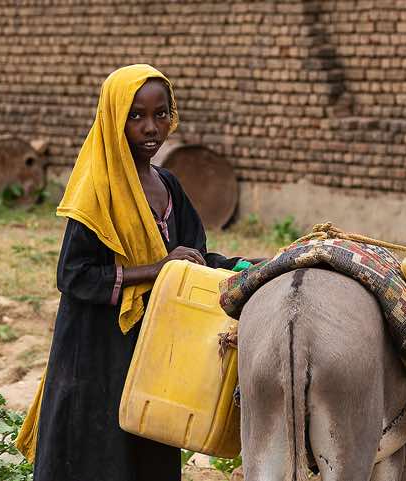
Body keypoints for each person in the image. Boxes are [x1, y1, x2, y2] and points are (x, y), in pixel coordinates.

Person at [16, 64, 250, 481]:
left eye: (160, 114)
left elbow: (192, 257)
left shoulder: (168, 184)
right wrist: (156, 269)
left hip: (153, 351)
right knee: (97, 453)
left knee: (147, 445)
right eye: (136, 116)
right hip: (95, 353)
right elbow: (73, 275)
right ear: (113, 119)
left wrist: (244, 267)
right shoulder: (97, 191)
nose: (150, 128)